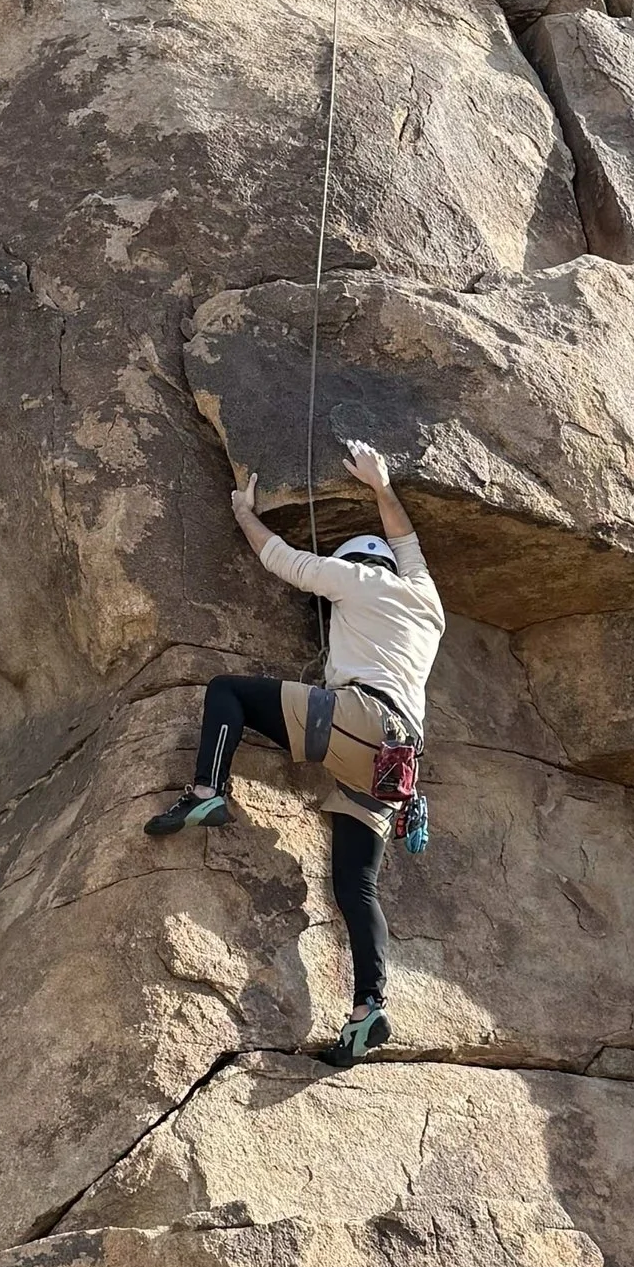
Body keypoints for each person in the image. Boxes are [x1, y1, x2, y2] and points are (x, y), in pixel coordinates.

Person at [146, 439, 445, 1066]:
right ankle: (368, 1008)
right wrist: (381, 485)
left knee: (228, 692)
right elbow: (410, 543)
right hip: (398, 766)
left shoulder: (359, 580)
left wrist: (242, 512)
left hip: (359, 720)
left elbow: (282, 559)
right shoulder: (426, 600)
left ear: (358, 564)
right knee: (356, 885)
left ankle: (207, 792)